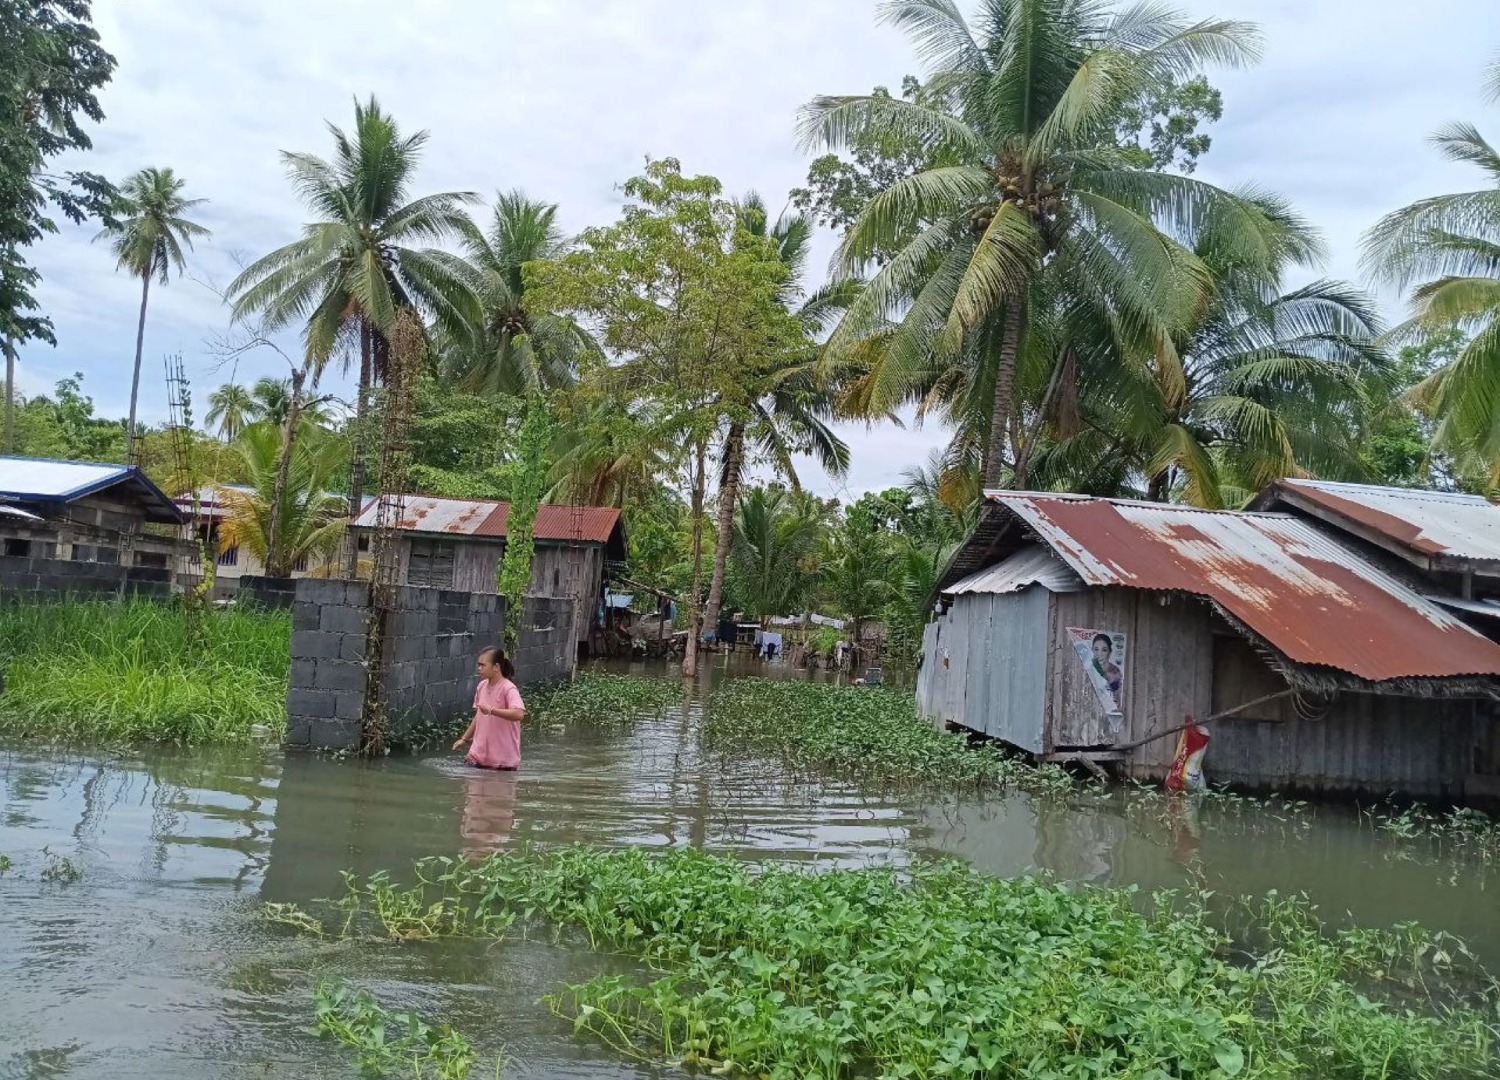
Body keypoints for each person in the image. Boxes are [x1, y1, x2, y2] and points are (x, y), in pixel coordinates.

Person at [453, 646, 527, 770]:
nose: (479, 669)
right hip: (478, 757)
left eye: (483, 665)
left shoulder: (508, 688)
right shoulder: (481, 686)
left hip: (502, 762)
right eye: (479, 665)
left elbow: (519, 714)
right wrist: (464, 739)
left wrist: (492, 711)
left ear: (496, 667)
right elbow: (479, 716)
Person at [1091, 633, 1123, 708]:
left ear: (1110, 652)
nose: (1099, 654)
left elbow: (1115, 692)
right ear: (1092, 650)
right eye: (1096, 649)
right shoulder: (1090, 667)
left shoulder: (1115, 672)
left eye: (1104, 650)